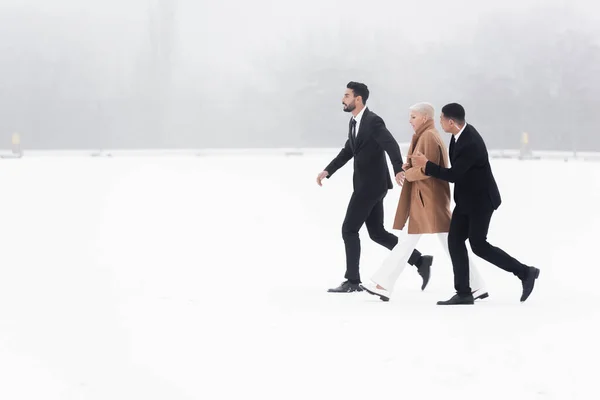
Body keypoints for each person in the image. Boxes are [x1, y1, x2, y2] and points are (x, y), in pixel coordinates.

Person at [409, 103, 540, 305]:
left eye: (442, 119)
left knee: (479, 245)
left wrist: (426, 165)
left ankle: (525, 272)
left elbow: (454, 175)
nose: (440, 122)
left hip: (481, 201)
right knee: (455, 241)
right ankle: (463, 293)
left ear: (451, 122)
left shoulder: (470, 142)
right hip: (466, 200)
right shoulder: (457, 136)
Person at [361, 103, 489, 301]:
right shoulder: (426, 134)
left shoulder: (428, 136)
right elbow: (424, 164)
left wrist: (407, 172)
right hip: (428, 198)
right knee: (447, 243)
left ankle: (382, 284)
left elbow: (427, 169)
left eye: (413, 117)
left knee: (408, 243)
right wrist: (409, 165)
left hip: (427, 199)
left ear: (424, 118)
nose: (409, 121)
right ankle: (477, 285)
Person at [317, 82, 433, 293]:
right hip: (369, 185)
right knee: (377, 233)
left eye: (346, 95)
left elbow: (390, 144)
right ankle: (420, 261)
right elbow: (348, 150)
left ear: (358, 99)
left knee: (349, 230)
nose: (343, 99)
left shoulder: (373, 121)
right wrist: (328, 170)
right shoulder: (354, 122)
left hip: (370, 186)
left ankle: (352, 281)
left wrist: (399, 168)